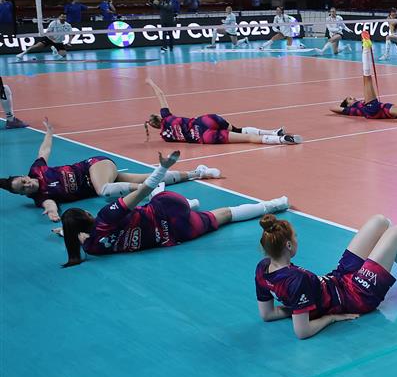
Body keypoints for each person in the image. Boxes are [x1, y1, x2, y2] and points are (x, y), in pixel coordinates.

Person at [59, 150, 287, 268]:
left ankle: (275, 205)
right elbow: (142, 191)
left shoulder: (92, 248)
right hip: (168, 207)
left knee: (226, 214)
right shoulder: (105, 217)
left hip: (175, 234)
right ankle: (192, 193)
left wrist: (67, 231)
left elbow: (81, 237)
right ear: (87, 215)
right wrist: (162, 168)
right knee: (153, 194)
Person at [255, 213, 397, 340]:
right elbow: (302, 332)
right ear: (288, 245)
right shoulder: (295, 281)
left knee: (380, 222)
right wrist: (330, 317)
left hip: (338, 279)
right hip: (356, 296)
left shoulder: (263, 269)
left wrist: (297, 308)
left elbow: (267, 314)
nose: (297, 240)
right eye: (295, 237)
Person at [3, 118, 220, 221]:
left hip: (94, 166)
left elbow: (44, 150)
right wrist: (52, 214)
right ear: (24, 195)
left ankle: (153, 191)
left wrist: (49, 132)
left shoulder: (37, 170)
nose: (27, 185)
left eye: (23, 181)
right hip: (105, 177)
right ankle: (198, 172)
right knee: (147, 176)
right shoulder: (41, 196)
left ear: (23, 176)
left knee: (104, 191)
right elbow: (50, 205)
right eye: (23, 189)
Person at [145, 79, 302, 145]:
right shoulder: (167, 116)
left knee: (247, 138)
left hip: (203, 137)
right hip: (204, 121)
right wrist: (151, 82)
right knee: (237, 129)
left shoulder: (165, 137)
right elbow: (160, 94)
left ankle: (281, 140)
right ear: (159, 116)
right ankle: (274, 132)